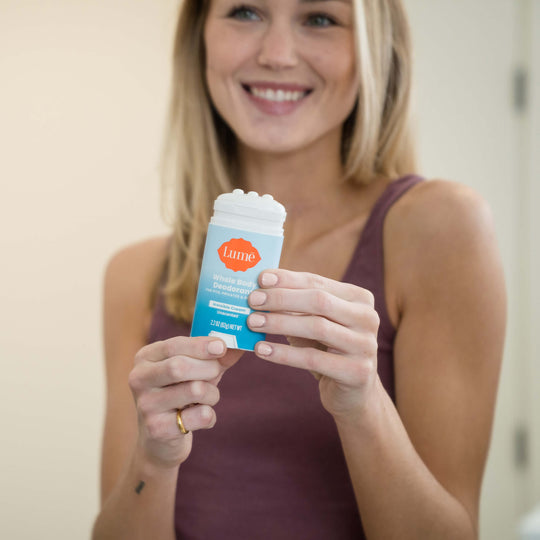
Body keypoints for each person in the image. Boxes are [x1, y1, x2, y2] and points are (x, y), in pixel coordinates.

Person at [92, 0, 506, 538]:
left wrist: (363, 407)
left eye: (319, 19)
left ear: (374, 49)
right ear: (200, 38)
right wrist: (154, 459)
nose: (278, 55)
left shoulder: (440, 230)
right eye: (245, 11)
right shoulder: (136, 273)